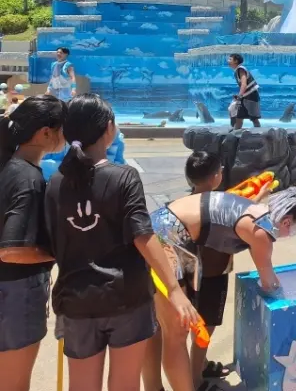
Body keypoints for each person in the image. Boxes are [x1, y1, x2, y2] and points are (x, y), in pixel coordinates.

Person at [44, 94, 198, 391]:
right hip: (127, 297)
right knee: (125, 384)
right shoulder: (123, 177)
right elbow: (143, 236)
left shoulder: (55, 183)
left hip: (76, 299)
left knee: (82, 385)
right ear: (109, 129)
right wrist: (175, 291)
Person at [143, 187, 296, 391]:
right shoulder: (261, 233)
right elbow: (269, 283)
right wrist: (291, 304)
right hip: (167, 238)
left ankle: (154, 387)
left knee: (158, 324)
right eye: (293, 229)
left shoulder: (256, 209)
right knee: (176, 332)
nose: (291, 234)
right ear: (286, 222)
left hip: (162, 226)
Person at [0, 96, 67, 391]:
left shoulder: (8, 165)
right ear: (45, 133)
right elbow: (12, 250)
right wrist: (57, 254)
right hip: (16, 292)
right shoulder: (28, 179)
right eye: (64, 129)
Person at [184, 152, 233, 389]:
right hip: (213, 277)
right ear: (216, 177)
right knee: (204, 332)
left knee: (195, 328)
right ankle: (196, 382)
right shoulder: (221, 207)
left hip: (188, 277)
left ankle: (200, 366)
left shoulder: (184, 203)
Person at [228, 53, 261, 130]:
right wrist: (240, 95)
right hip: (246, 96)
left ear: (236, 61)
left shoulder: (240, 69)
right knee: (239, 117)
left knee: (254, 118)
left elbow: (244, 84)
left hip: (251, 96)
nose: (228, 61)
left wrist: (239, 96)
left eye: (230, 59)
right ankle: (235, 134)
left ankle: (258, 134)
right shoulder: (237, 71)